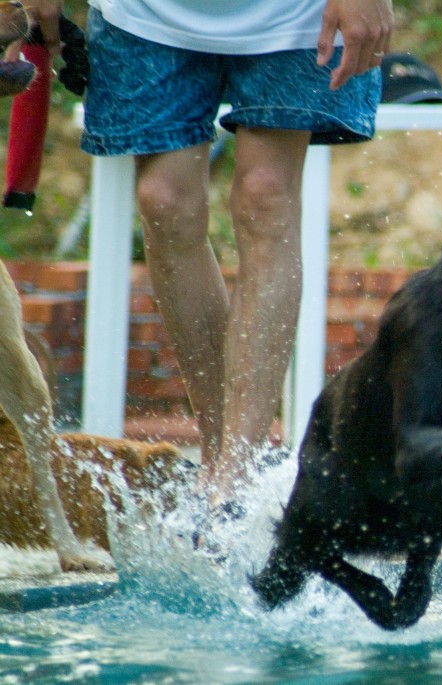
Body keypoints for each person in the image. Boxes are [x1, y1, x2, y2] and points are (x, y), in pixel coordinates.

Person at [77, 0, 393, 517]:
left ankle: (234, 476)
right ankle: (218, 454)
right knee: (162, 200)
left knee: (266, 194)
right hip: (145, 12)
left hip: (294, 13)